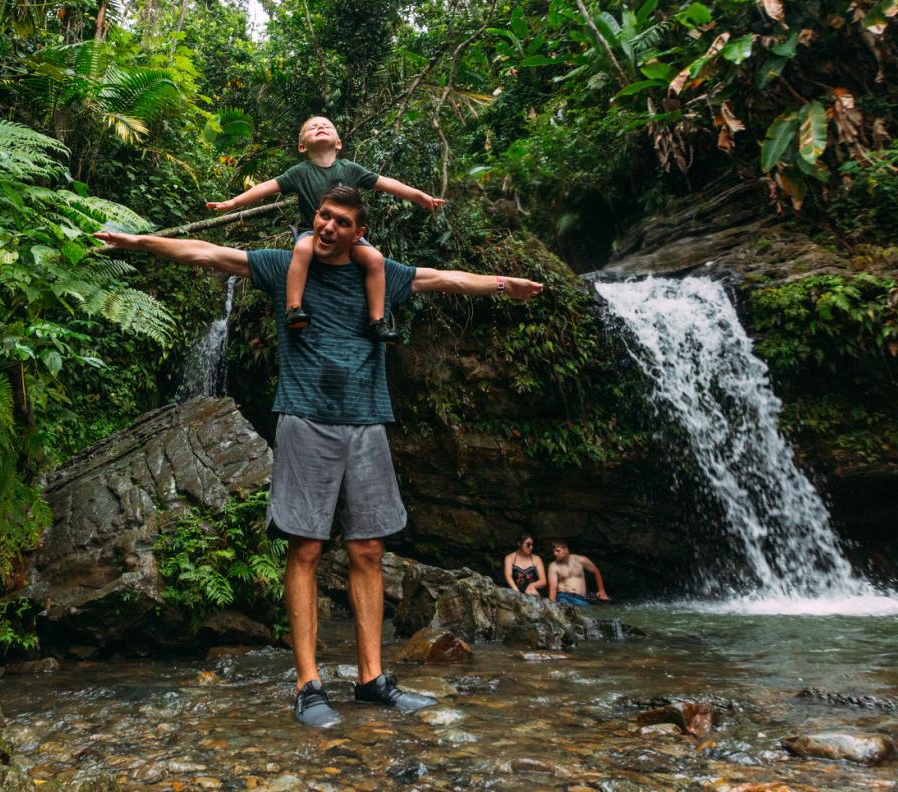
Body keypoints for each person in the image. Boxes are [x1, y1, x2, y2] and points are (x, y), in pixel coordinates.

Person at [95, 185, 543, 729]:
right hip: (305, 418)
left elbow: (444, 279)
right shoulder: (286, 266)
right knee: (305, 547)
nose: (328, 227)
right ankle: (308, 685)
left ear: (359, 234)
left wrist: (505, 285)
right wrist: (139, 242)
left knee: (369, 549)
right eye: (324, 216)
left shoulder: (380, 274)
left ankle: (371, 680)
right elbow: (207, 253)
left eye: (341, 222)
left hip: (367, 421)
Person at [205, 115, 444, 344]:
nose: (320, 127)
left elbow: (386, 183)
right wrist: (233, 203)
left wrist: (419, 196)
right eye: (313, 127)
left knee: (375, 258)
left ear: (338, 143)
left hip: (347, 236)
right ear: (302, 147)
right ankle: (293, 309)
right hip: (312, 232)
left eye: (326, 126)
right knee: (302, 250)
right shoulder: (300, 172)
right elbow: (267, 187)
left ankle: (377, 320)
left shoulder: (350, 169)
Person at [548, 541, 609, 606]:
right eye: (553, 552)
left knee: (587, 610)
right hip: (564, 596)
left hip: (580, 598)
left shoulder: (581, 560)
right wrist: (552, 605)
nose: (555, 554)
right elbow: (553, 589)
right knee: (565, 605)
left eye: (558, 551)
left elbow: (596, 571)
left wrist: (602, 591)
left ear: (566, 549)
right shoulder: (553, 566)